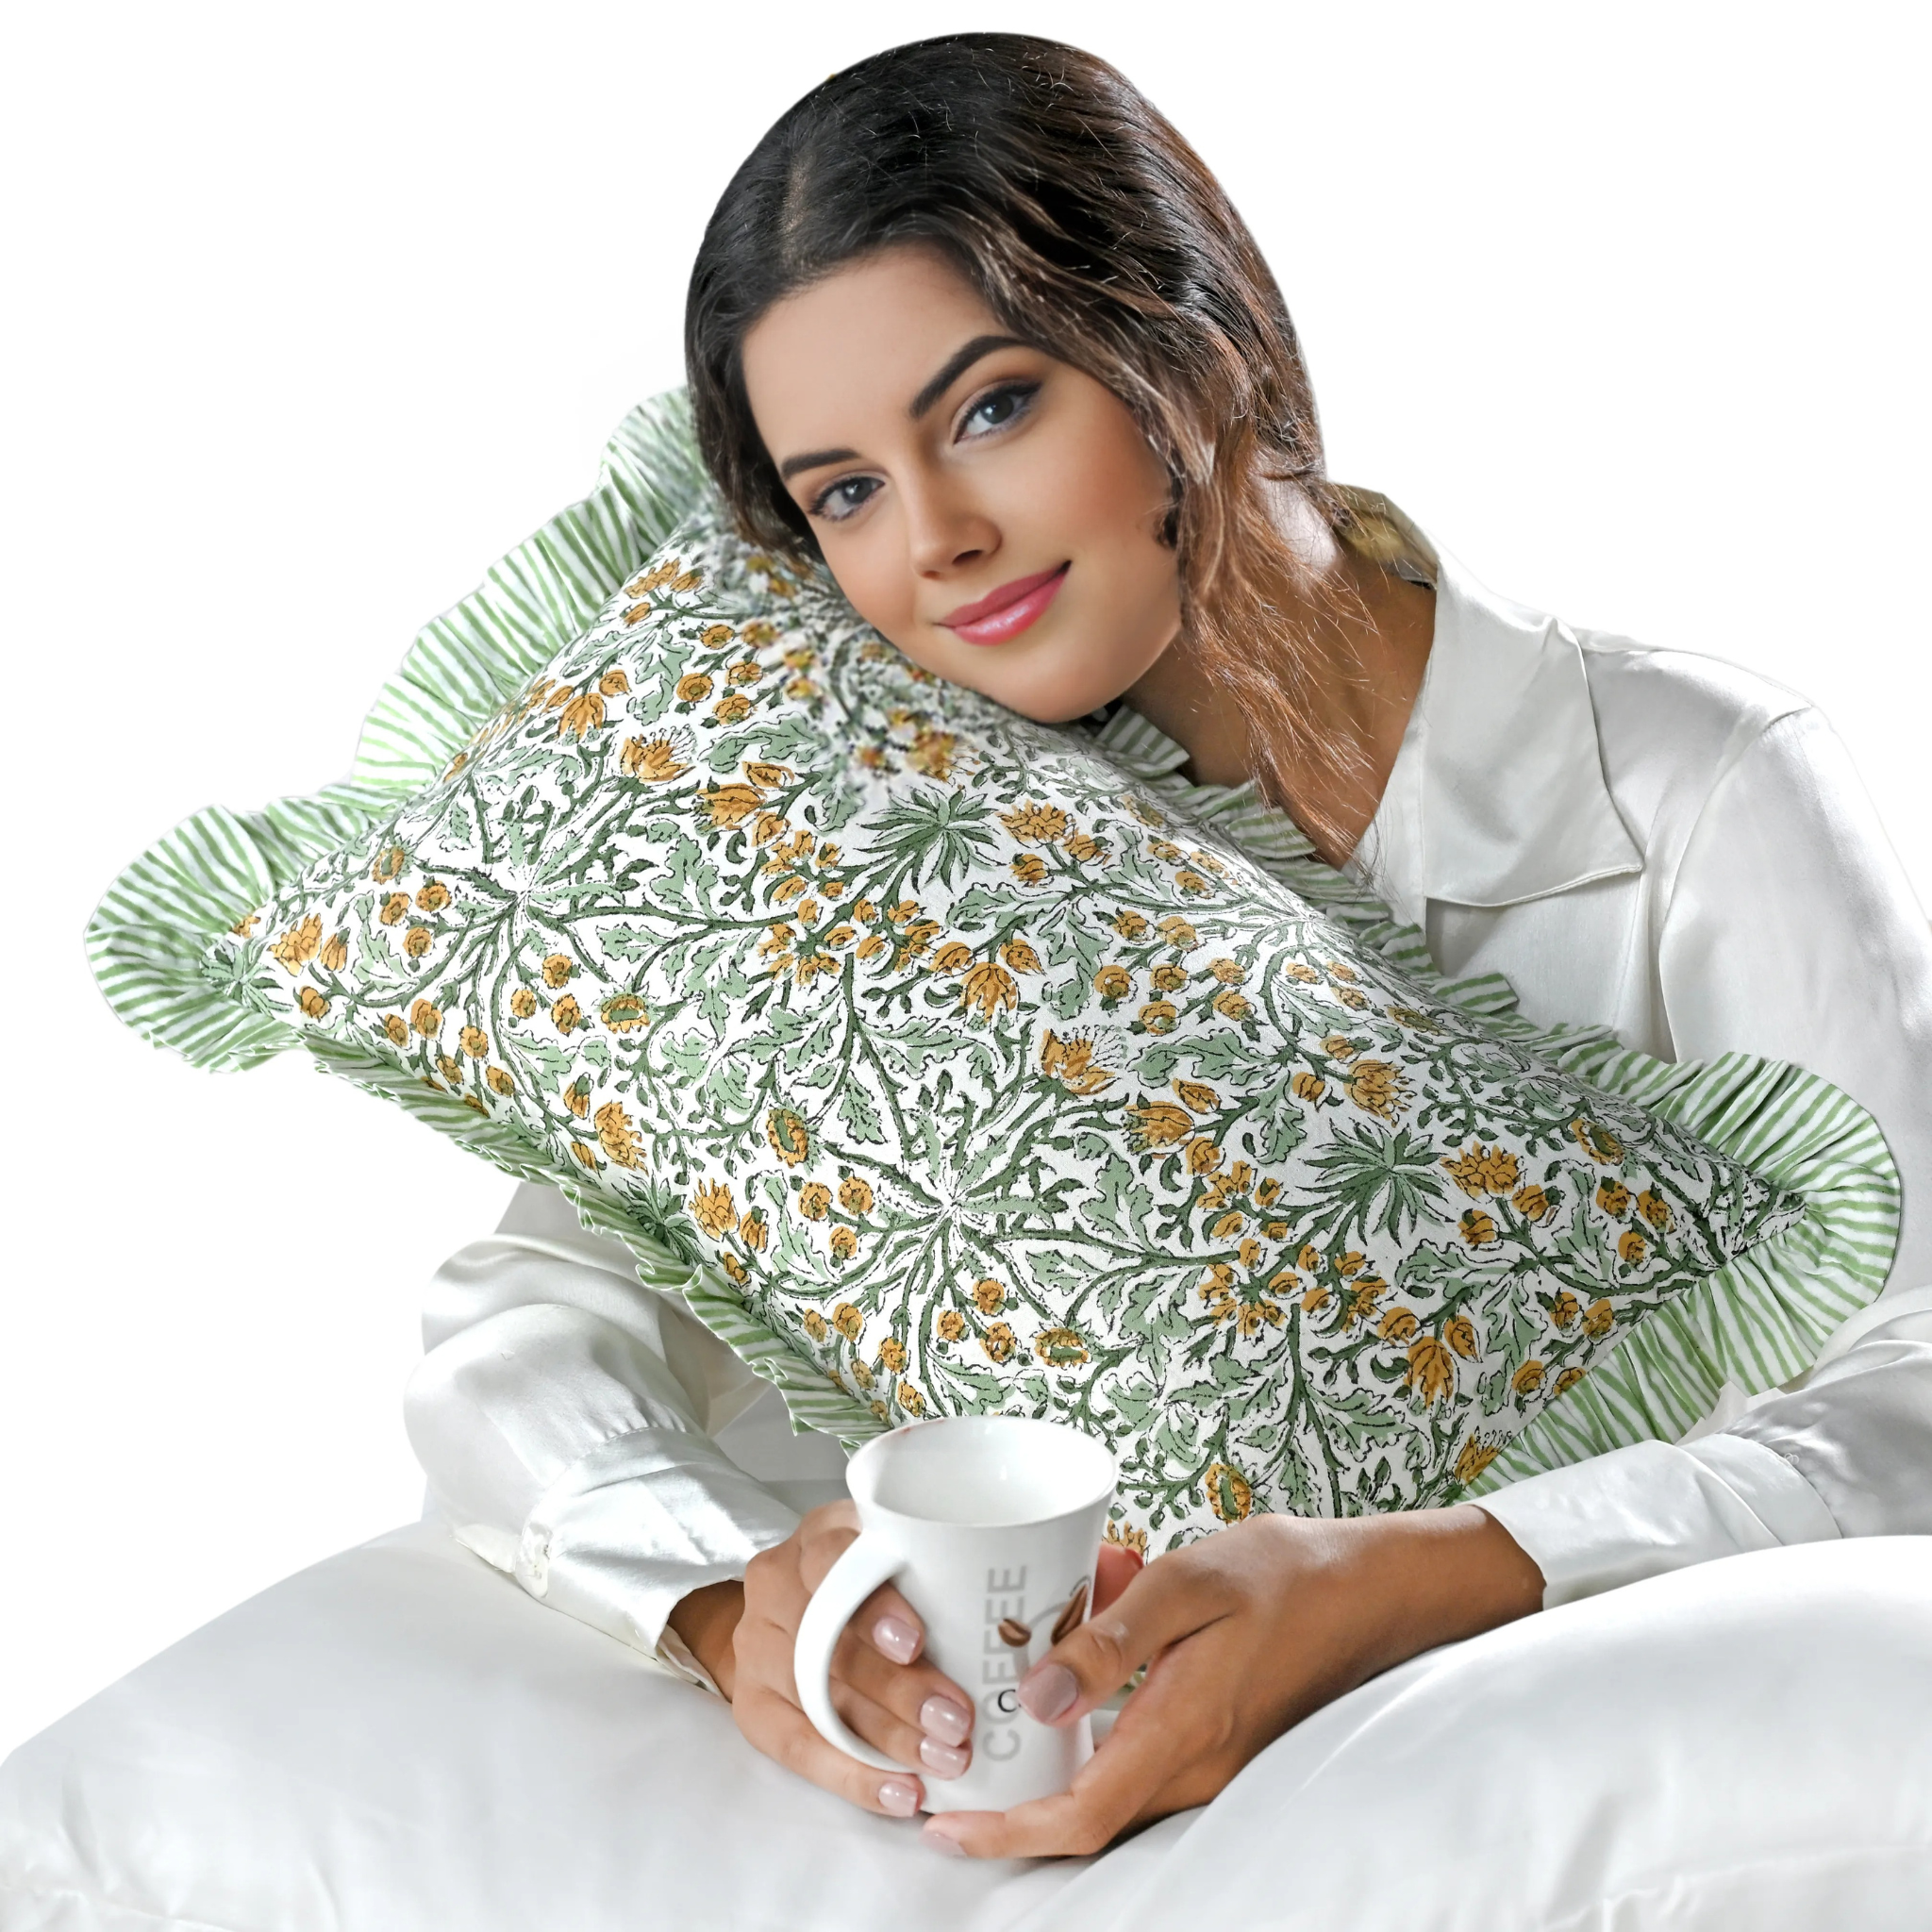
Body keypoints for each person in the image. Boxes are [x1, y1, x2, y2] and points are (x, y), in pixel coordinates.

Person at [405, 32, 1932, 1862]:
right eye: (844, 494)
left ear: (1191, 352)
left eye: (989, 409)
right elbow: (519, 1324)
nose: (940, 545)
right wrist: (736, 1609)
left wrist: (1415, 1573)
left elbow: (1909, 1402)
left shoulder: (1689, 786)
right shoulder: (910, 847)